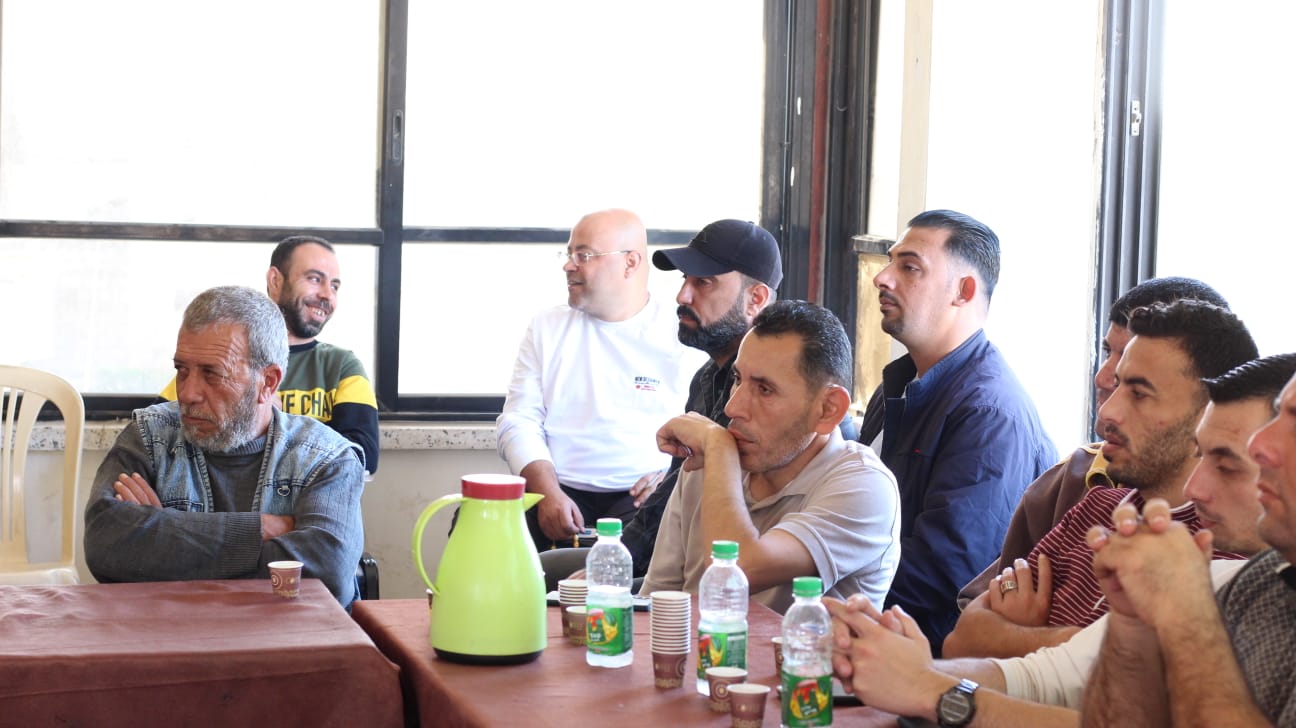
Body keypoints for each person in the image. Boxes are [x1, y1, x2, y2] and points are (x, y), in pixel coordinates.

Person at [825, 353, 1296, 726]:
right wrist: (912, 667)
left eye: (1227, 464)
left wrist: (933, 688)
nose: (1107, 408)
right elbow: (1034, 672)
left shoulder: (1209, 568)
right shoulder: (1250, 577)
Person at [942, 299, 1257, 659]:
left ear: (1208, 414)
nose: (1108, 411)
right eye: (1118, 385)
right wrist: (1074, 644)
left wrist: (1023, 636)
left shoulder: (1227, 553)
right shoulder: (1095, 508)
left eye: (1139, 394)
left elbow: (1140, 674)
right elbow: (960, 642)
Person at [84, 285, 367, 607]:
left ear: (268, 382)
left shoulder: (327, 459)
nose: (187, 393)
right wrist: (259, 529)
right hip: (172, 632)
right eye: (182, 370)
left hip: (287, 636)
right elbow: (104, 544)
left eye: (212, 374)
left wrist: (164, 537)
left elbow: (327, 572)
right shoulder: (150, 436)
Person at [859, 209, 1056, 647]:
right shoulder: (897, 386)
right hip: (874, 631)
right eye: (890, 262)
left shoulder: (989, 411)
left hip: (930, 656)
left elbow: (946, 571)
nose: (882, 278)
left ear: (963, 291)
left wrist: (824, 588)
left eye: (909, 267)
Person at [639, 300, 900, 613]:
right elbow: (656, 603)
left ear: (827, 409)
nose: (732, 408)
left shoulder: (866, 486)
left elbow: (736, 571)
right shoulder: (708, 464)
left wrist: (720, 452)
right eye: (737, 379)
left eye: (765, 390)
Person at [1081, 360, 1296, 725]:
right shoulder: (1263, 579)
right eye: (1279, 414)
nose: (1260, 445)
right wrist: (1133, 625)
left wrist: (1185, 616)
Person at [496, 209, 706, 551]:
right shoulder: (547, 327)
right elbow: (518, 420)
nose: (568, 266)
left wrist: (672, 479)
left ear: (630, 263)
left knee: (669, 526)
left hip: (643, 496)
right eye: (569, 254)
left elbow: (708, 428)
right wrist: (547, 493)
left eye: (584, 255)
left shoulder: (683, 332)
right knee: (476, 522)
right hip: (556, 487)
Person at [620, 218, 781, 573]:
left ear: (755, 299)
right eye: (685, 279)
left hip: (728, 576)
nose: (683, 296)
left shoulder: (778, 393)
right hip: (677, 565)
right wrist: (616, 562)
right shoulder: (707, 377)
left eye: (703, 282)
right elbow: (671, 492)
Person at [160, 235, 380, 474]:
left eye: (334, 286)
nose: (328, 294)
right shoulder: (216, 357)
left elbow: (362, 457)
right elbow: (159, 434)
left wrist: (271, 423)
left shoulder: (343, 366)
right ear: (275, 281)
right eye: (315, 279)